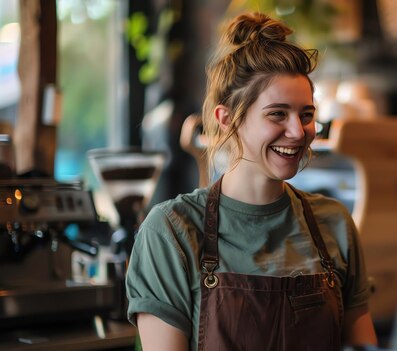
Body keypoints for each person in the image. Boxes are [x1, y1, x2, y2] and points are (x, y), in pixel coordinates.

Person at [125, 12, 378, 351]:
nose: (297, 132)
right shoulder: (172, 233)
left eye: (306, 115)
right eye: (277, 114)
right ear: (226, 119)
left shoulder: (335, 224)